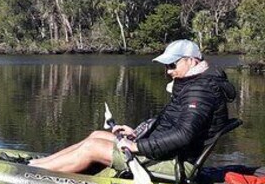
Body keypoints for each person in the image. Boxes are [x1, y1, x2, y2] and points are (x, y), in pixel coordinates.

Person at [29, 39, 236, 176]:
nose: (168, 71)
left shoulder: (200, 91)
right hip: (165, 152)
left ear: (191, 61)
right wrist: (137, 133)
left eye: (172, 65)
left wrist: (137, 147)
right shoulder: (193, 84)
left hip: (177, 163)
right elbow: (171, 123)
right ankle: (38, 164)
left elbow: (183, 135)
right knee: (95, 136)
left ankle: (32, 175)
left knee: (92, 149)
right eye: (166, 66)